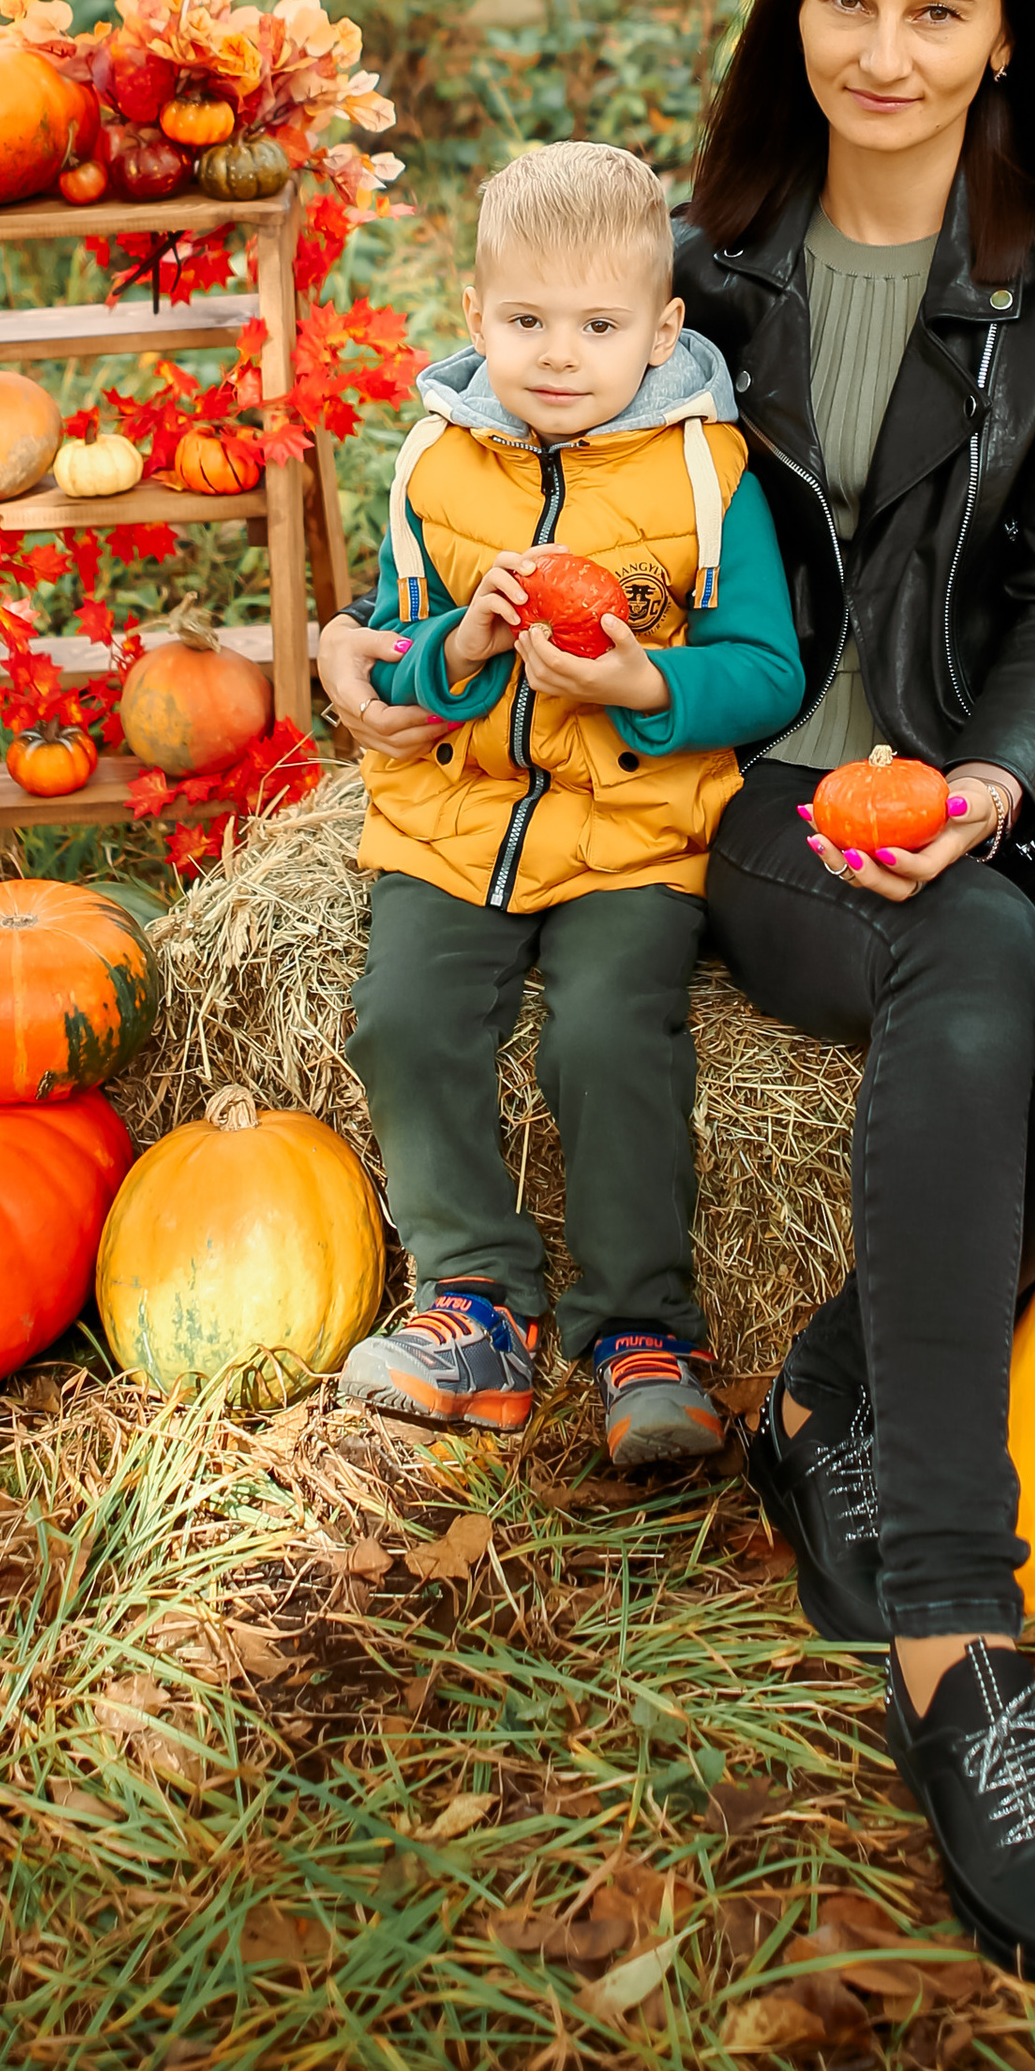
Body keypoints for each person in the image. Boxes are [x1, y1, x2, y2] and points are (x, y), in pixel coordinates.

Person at [319, 0, 1035, 1992]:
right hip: (748, 781)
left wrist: (994, 786)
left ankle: (828, 1391)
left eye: (937, 8)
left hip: (1011, 767)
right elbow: (487, 467)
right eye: (848, 1)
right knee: (971, 950)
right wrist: (390, 654)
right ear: (791, 14)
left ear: (1002, 30)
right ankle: (953, 1645)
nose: (887, 50)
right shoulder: (700, 262)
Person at [336, 140, 806, 1473]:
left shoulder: (710, 477)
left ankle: (641, 1330)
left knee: (610, 1036)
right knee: (404, 1020)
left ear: (660, 331)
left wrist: (645, 676)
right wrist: (462, 654)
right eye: (527, 322)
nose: (557, 354)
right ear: (475, 316)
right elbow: (397, 651)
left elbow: (767, 671)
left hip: (638, 829)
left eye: (597, 326)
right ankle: (475, 1302)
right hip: (460, 816)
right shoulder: (434, 468)